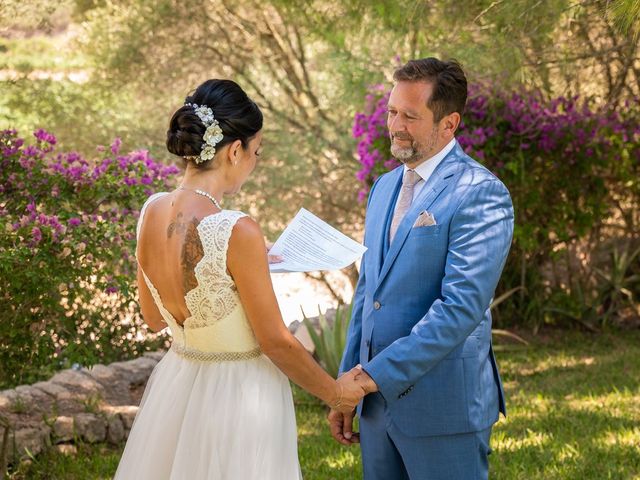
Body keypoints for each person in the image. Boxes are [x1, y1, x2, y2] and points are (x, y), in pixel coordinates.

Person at [114, 79, 365, 479]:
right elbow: (276, 342)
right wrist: (336, 393)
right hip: (239, 397)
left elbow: (154, 316)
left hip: (179, 385)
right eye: (256, 152)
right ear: (235, 151)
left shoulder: (151, 211)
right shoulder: (236, 228)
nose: (254, 162)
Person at [329, 58, 514, 480]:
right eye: (392, 111)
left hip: (443, 408)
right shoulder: (383, 188)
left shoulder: (481, 193)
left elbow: (460, 308)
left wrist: (373, 376)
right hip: (374, 407)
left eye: (410, 116)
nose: (395, 125)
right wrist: (347, 387)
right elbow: (367, 293)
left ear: (449, 124)